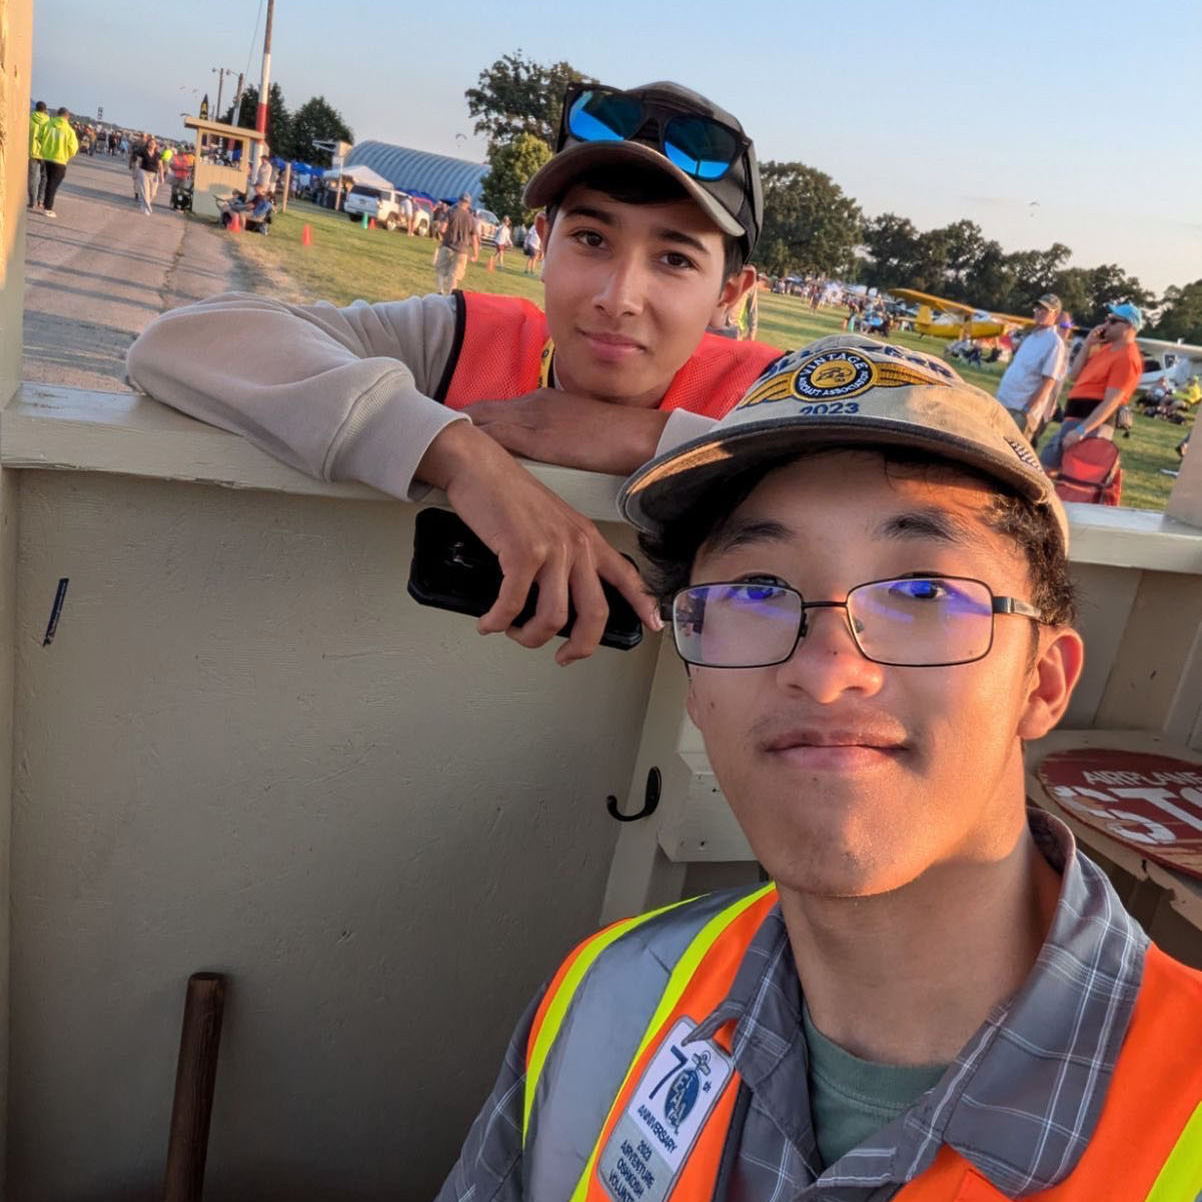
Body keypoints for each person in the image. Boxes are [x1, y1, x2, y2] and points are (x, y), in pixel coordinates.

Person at [440, 335, 1202, 1200]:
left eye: (922, 594)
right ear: (695, 682)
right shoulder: (609, 995)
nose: (828, 666)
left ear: (1042, 681)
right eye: (757, 593)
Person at [127, 80, 779, 665]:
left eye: (674, 259)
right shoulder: (460, 337)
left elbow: (877, 475)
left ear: (732, 293)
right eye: (591, 239)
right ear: (541, 243)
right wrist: (456, 451)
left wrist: (645, 441)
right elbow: (180, 341)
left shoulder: (770, 394)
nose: (619, 295)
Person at [1040, 302, 1144, 473]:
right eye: (1106, 320)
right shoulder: (1105, 349)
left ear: (1129, 326)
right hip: (1074, 420)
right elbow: (1074, 375)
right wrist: (1087, 345)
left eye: (1112, 321)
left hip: (1090, 425)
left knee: (1073, 475)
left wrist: (1082, 430)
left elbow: (1112, 401)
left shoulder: (1128, 357)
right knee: (1046, 468)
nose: (1105, 325)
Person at [993, 294, 1066, 441]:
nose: (1039, 312)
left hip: (1019, 410)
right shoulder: (1031, 337)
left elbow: (1048, 382)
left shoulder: (1054, 343)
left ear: (1055, 315)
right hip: (1004, 402)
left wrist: (1027, 410)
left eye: (1044, 310)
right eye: (1038, 308)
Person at [37, 107, 79, 219]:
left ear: (57, 114)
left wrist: (46, 149)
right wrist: (66, 155)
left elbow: (39, 137)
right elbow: (73, 148)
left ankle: (44, 202)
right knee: (53, 184)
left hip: (47, 158)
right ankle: (48, 208)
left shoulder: (48, 125)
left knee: (49, 181)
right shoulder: (69, 130)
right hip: (60, 160)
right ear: (67, 116)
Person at [432, 193, 479, 294]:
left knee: (441, 270)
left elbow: (442, 228)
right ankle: (450, 294)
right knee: (455, 275)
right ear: (468, 204)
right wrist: (475, 255)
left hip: (448, 245)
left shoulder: (451, 212)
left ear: (459, 201)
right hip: (462, 251)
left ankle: (440, 291)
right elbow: (475, 239)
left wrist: (445, 237)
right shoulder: (471, 219)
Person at [134, 134, 165, 216]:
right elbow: (138, 163)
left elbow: (161, 166)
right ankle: (147, 208)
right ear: (147, 143)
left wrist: (162, 177)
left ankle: (144, 204)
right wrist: (135, 173)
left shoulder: (158, 154)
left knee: (153, 193)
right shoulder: (143, 152)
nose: (152, 144)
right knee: (145, 191)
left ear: (156, 145)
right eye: (150, 143)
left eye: (153, 143)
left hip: (154, 174)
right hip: (143, 172)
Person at [27, 100, 49, 210]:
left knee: (31, 177)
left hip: (32, 152)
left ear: (36, 108)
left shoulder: (30, 119)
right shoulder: (49, 122)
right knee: (44, 177)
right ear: (45, 110)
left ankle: (32, 202)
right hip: (46, 153)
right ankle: (40, 200)